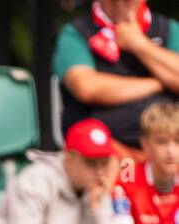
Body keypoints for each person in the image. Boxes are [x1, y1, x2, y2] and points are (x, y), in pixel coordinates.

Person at [54, 0, 179, 159]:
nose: (119, 1)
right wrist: (160, 82)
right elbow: (86, 88)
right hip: (103, 155)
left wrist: (139, 45)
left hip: (168, 154)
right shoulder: (76, 33)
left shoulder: (168, 29)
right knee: (122, 172)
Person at [112, 102, 179, 224]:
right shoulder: (127, 181)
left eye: (177, 141)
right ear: (145, 144)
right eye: (161, 142)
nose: (171, 151)